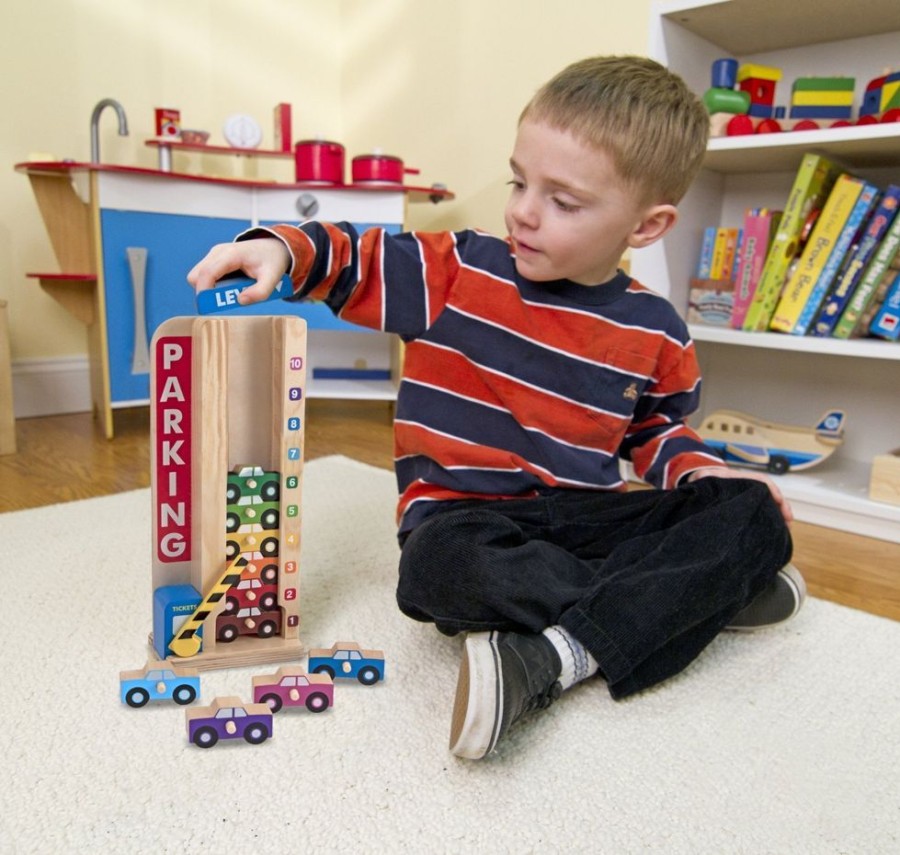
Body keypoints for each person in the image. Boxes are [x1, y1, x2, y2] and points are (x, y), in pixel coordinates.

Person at [188, 55, 802, 761]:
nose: (523, 210)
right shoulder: (459, 271)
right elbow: (356, 256)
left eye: (563, 201)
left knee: (752, 512)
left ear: (646, 225)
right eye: (520, 180)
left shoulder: (657, 328)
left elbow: (660, 432)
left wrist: (702, 477)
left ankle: (556, 651)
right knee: (435, 570)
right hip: (465, 516)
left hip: (582, 519)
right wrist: (278, 249)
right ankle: (675, 602)